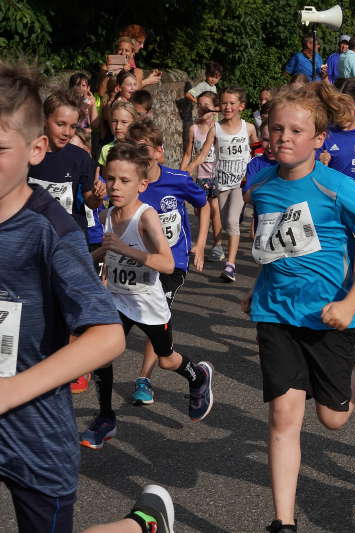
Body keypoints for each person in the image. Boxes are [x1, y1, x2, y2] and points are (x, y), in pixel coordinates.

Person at [242, 83, 355, 533]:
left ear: (318, 139)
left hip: (329, 315)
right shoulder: (261, 186)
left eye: (296, 130)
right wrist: (258, 287)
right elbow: (270, 246)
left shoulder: (335, 187)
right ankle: (283, 521)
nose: (283, 137)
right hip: (275, 314)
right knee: (284, 418)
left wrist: (350, 301)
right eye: (276, 128)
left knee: (333, 419)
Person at [0, 58, 124, 532]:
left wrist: (7, 393)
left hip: (36, 438)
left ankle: (139, 524)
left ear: (36, 149)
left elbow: (108, 337)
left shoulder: (51, 232)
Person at [81, 142, 215, 450]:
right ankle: (104, 418)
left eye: (124, 181)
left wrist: (125, 249)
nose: (115, 186)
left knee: (167, 361)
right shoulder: (110, 212)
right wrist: (97, 260)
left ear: (142, 184)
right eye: (111, 178)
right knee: (103, 352)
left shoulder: (146, 216)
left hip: (148, 304)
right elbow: (109, 254)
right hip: (118, 299)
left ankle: (198, 377)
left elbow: (166, 263)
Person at [125, 120, 211, 406]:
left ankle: (144, 379)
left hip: (173, 265)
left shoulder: (179, 179)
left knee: (154, 315)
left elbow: (204, 204)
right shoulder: (131, 184)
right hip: (139, 262)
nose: (140, 155)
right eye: (133, 150)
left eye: (145, 149)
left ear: (159, 151)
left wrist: (199, 244)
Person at [184, 87, 258, 281]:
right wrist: (186, 170)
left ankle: (230, 266)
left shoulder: (248, 128)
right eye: (224, 103)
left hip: (241, 183)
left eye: (232, 103)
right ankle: (237, 213)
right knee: (226, 222)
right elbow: (202, 155)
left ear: (241, 106)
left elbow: (259, 151)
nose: (227, 107)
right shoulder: (215, 129)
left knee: (232, 223)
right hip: (221, 183)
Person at [29, 91, 104, 235]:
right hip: (32, 238)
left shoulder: (81, 158)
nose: (67, 132)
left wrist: (97, 197)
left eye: (73, 126)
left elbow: (90, 201)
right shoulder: (26, 154)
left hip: (67, 240)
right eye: (60, 124)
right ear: (44, 119)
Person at [181, 91, 222, 260]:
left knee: (214, 209)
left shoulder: (218, 129)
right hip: (199, 176)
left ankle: (217, 245)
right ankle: (202, 241)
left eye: (206, 106)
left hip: (216, 175)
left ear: (215, 109)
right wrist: (181, 175)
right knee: (199, 211)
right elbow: (187, 154)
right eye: (199, 106)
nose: (202, 109)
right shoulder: (194, 129)